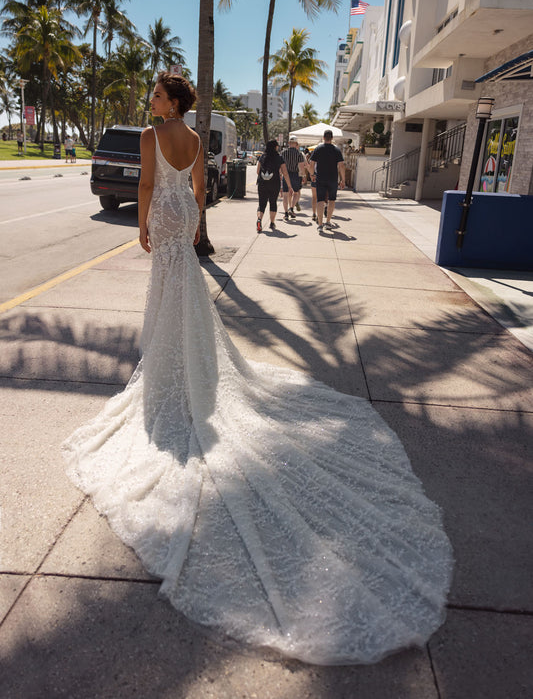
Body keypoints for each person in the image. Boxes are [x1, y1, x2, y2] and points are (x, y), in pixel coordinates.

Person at [62, 72, 452, 667]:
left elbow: (145, 184)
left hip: (163, 216)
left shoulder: (151, 134)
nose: (152, 101)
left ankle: (169, 371)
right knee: (183, 290)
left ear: (170, 102)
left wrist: (143, 225)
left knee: (165, 290)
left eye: (157, 96)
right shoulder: (193, 138)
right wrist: (192, 223)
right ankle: (183, 362)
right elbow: (198, 186)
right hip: (184, 214)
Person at [310, 129, 346, 231]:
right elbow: (341, 166)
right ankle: (328, 222)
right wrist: (343, 180)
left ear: (323, 137)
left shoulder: (318, 149)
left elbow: (311, 164)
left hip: (320, 178)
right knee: (331, 200)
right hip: (333, 179)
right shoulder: (336, 150)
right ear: (332, 138)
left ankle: (320, 224)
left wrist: (312, 175)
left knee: (320, 200)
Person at [256, 139, 291, 232]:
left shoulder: (263, 157)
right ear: (275, 147)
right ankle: (272, 223)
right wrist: (289, 186)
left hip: (262, 183)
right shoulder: (279, 157)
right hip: (274, 183)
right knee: (273, 202)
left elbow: (257, 171)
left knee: (262, 203)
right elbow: (285, 173)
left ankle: (259, 219)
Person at [280, 137, 305, 219]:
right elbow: (301, 167)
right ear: (296, 144)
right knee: (296, 193)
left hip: (286, 174)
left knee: (285, 195)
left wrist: (280, 174)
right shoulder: (299, 153)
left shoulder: (283, 153)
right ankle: (291, 208)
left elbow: (280, 165)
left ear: (289, 143)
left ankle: (286, 213)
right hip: (295, 175)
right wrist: (303, 176)